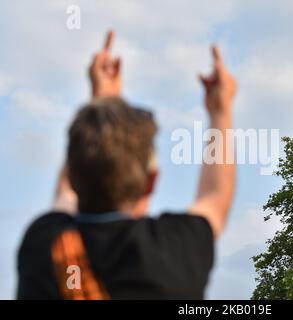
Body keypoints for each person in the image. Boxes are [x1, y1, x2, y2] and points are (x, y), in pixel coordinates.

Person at [16, 31, 237, 299]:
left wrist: (102, 102)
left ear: (74, 176)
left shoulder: (43, 246)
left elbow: (65, 192)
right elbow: (215, 197)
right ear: (152, 181)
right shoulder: (173, 252)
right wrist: (220, 111)